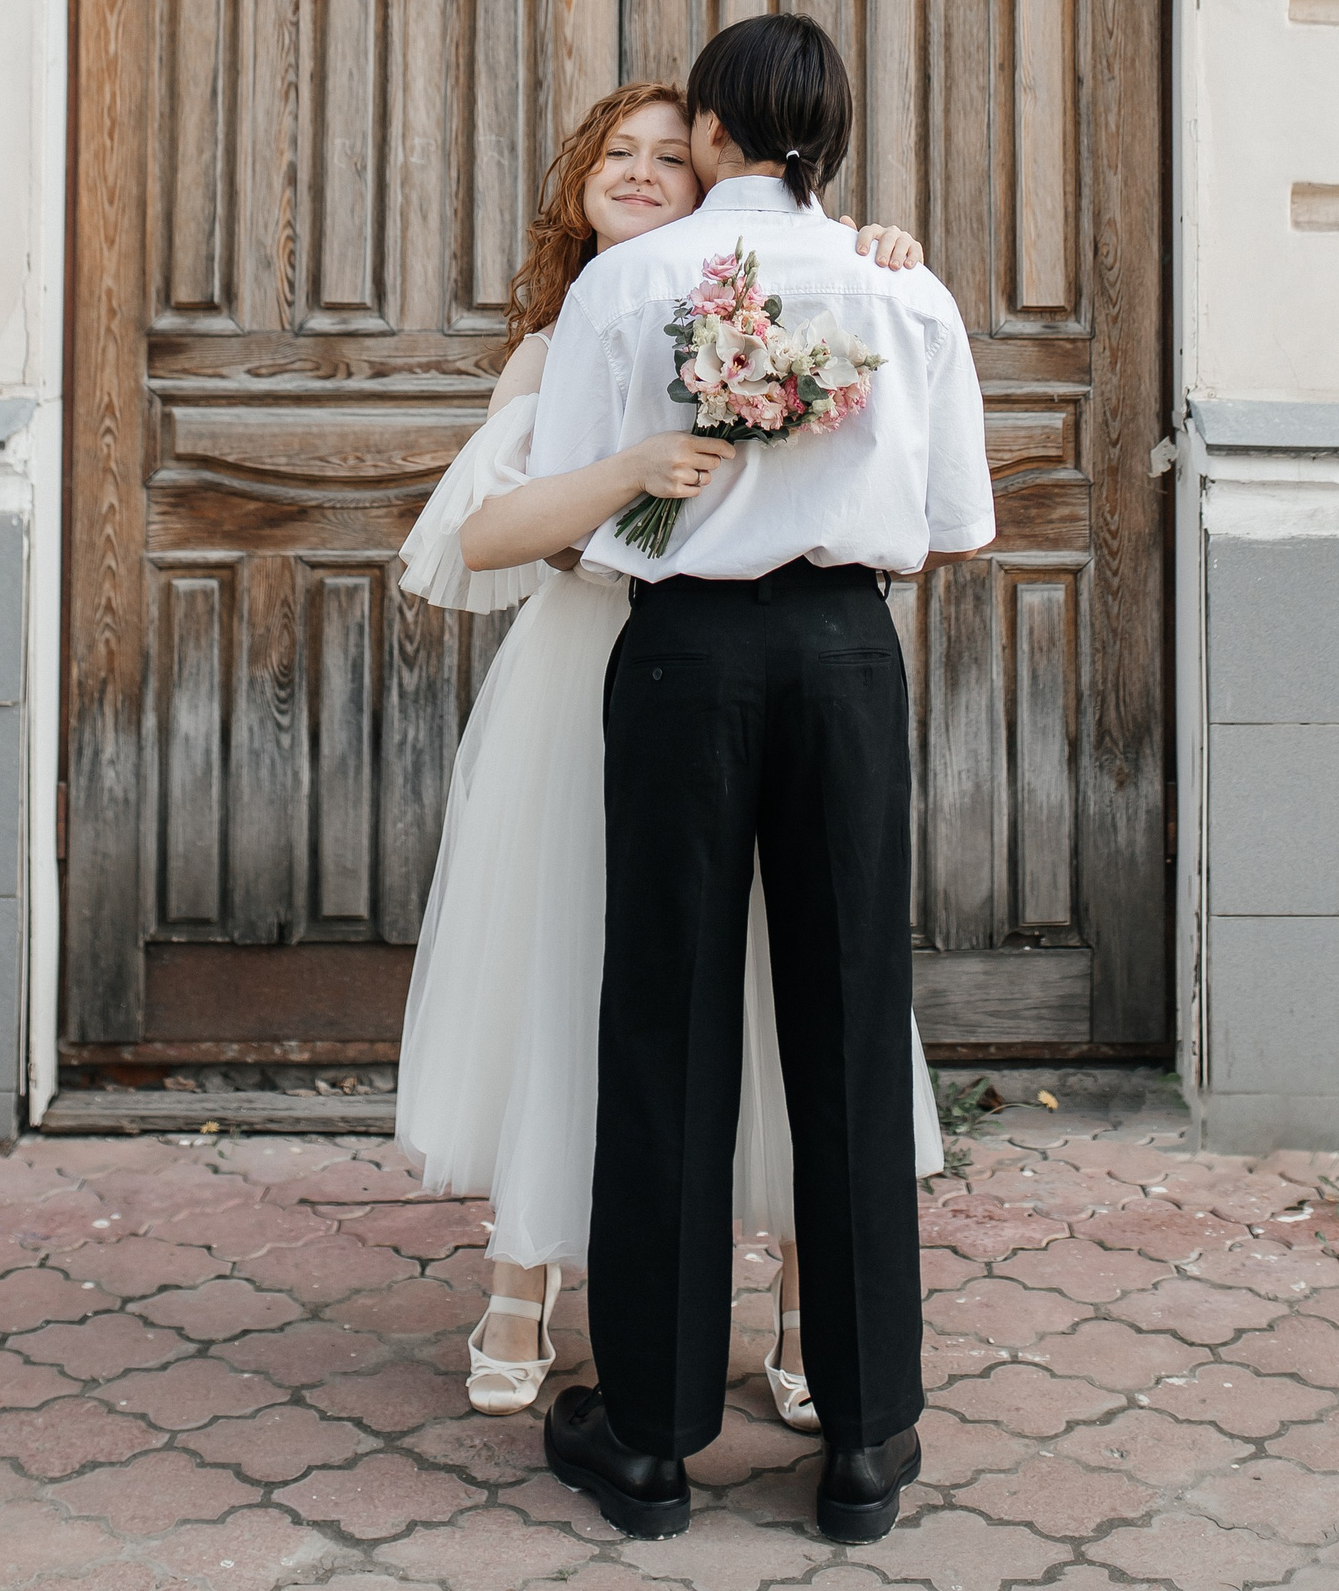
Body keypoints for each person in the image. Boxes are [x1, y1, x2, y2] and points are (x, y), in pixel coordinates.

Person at [394, 80, 944, 1423]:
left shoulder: (761, 303)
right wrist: (633, 469)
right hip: (590, 672)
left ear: (714, 175)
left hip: (730, 666)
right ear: (580, 183)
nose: (640, 172)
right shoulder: (559, 338)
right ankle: (523, 1280)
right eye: (615, 154)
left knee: (786, 975)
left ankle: (810, 1308)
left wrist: (870, 245)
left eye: (665, 155)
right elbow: (484, 534)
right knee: (576, 973)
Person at [536, 15, 995, 1547]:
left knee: (664, 1016)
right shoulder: (900, 287)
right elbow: (951, 524)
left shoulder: (630, 283)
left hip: (685, 654)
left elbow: (576, 504)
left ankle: (651, 1438)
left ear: (717, 134)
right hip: (844, 653)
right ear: (832, 139)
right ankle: (864, 1436)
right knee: (852, 1013)